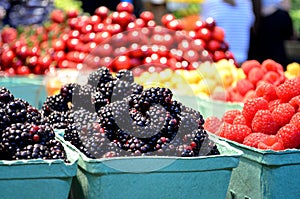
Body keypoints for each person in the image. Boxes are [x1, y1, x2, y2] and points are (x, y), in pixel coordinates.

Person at [201, 0, 255, 65]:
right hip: (222, 60)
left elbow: (203, 29)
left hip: (222, 60)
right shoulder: (246, 3)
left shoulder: (210, 3)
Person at [248, 0, 294, 68]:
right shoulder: (282, 15)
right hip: (277, 63)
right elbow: (290, 35)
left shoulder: (251, 15)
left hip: (255, 64)